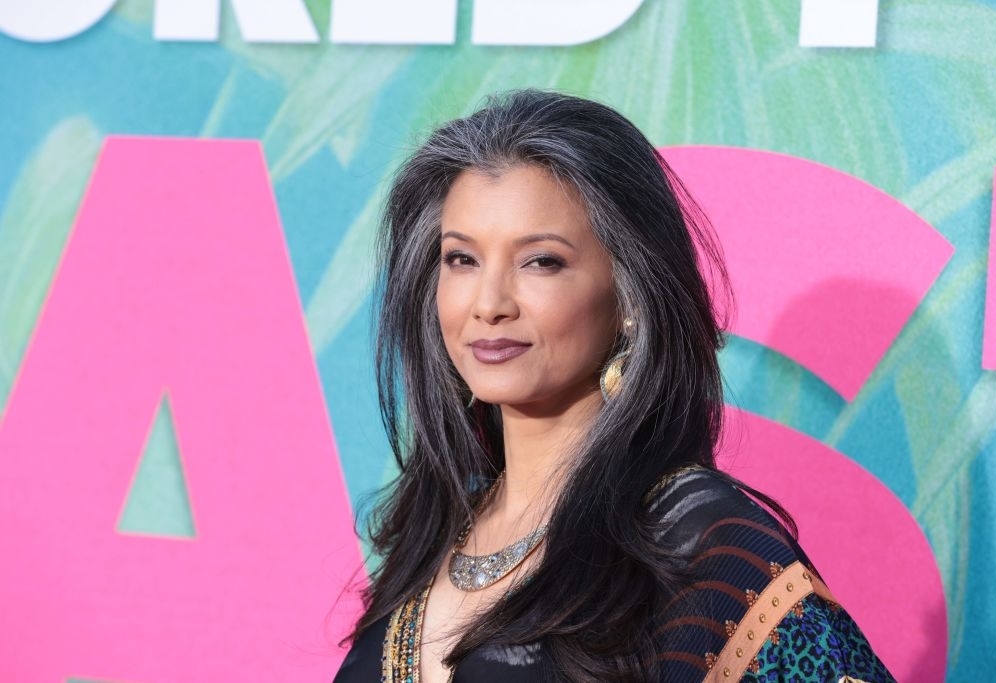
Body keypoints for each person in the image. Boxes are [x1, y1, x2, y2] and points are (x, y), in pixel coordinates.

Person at [333, 89, 894, 682]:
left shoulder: (700, 547)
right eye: (462, 260)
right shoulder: (437, 530)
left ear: (629, 294)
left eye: (541, 261)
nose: (488, 304)